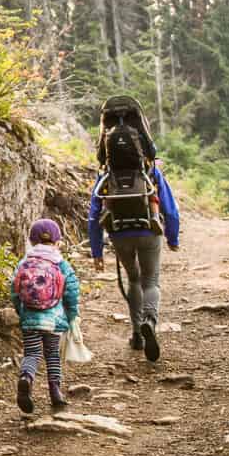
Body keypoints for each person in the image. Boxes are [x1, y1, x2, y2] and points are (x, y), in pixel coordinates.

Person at [87, 95, 180, 362]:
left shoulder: (105, 174)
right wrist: (172, 237)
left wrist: (96, 251)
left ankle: (137, 334)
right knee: (151, 280)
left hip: (119, 232)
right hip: (148, 228)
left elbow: (94, 214)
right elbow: (171, 209)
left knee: (134, 279)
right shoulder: (150, 172)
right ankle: (150, 320)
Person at [11, 218, 80, 414]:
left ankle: (26, 378)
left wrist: (20, 310)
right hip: (54, 320)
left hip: (29, 319)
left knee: (32, 353)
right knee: (52, 354)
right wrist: (72, 314)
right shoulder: (61, 264)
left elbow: (14, 289)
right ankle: (55, 391)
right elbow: (72, 290)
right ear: (58, 242)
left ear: (31, 242)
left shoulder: (25, 262)